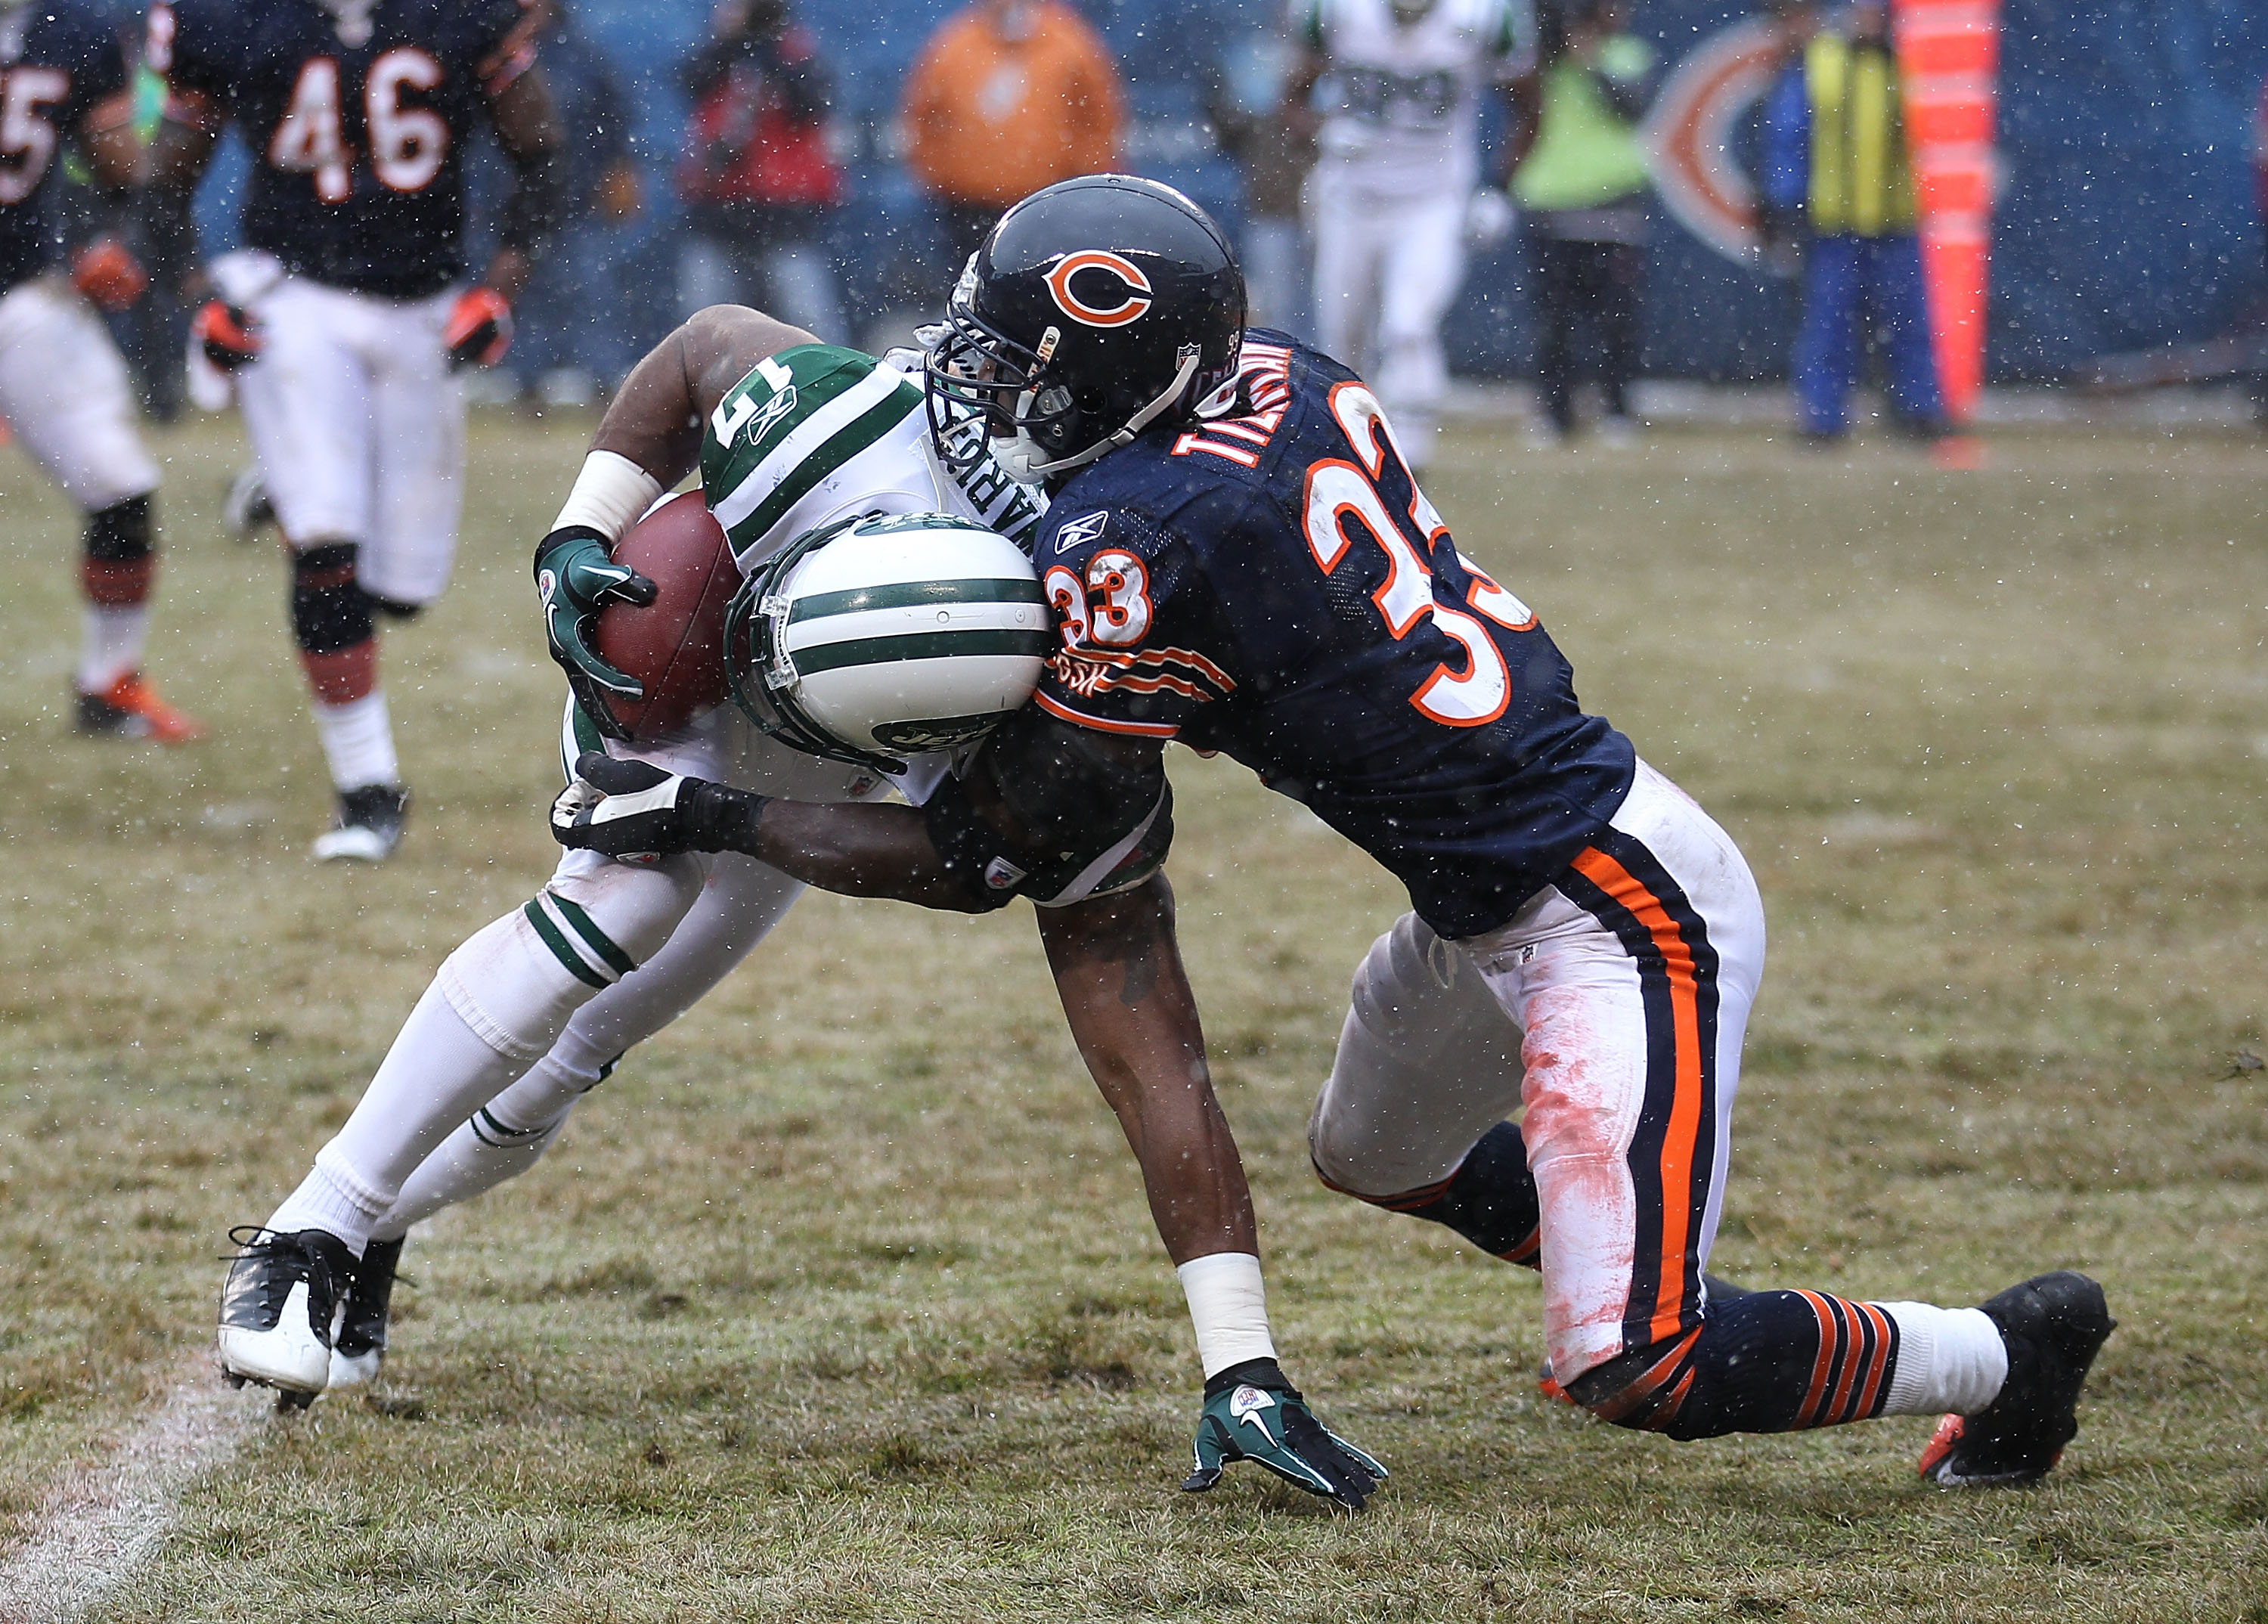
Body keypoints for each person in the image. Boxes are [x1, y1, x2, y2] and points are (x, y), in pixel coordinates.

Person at [553, 175, 2116, 1494]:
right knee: (1372, 1152)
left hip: (1614, 902)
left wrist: (716, 808)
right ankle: (1627, 1249)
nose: (997, 388)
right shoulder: (1276, 375)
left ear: (1125, 373)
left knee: (1639, 1370)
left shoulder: (1136, 536)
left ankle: (2006, 1348)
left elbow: (993, 852)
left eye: (1027, 365)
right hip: (1478, 892)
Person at [211, 302, 1380, 1513]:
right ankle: (309, 1231)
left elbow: (1064, 961)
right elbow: (698, 350)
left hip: (822, 788)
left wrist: (1240, 1356)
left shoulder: (1084, 612)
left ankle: (378, 1223)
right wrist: (582, 530)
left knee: (580, 1054)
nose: (983, 369)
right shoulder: (854, 425)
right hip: (695, 663)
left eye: (1032, 361)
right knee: (618, 910)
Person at [141, 0, 563, 860]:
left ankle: (284, 488)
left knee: (398, 592)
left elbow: (544, 159)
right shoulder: (236, 23)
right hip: (297, 296)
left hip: (422, 301)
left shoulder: (461, 17)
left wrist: (500, 289)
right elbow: (166, 181)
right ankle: (367, 790)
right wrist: (200, 301)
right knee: (328, 551)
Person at [0, 0, 203, 742]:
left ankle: (108, 684)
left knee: (119, 486)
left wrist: (103, 238)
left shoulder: (71, 29)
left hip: (23, 295)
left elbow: (121, 169)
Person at [1287, 0, 1536, 470]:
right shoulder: (1333, 12)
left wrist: (1499, 189)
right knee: (1344, 343)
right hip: (1350, 198)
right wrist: (1325, 132)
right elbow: (1291, 98)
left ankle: (1411, 463)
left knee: (1409, 326)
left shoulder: (1483, 18)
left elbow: (1529, 105)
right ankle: (1346, 457)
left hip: (1433, 199)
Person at [1756, 0, 1946, 442]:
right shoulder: (1820, 63)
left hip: (1894, 219)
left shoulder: (1905, 62)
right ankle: (1823, 418)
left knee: (1909, 324)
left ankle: (1919, 412)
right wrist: (1784, 203)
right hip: (1835, 224)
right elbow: (1790, 134)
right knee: (1828, 327)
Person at [1511, 0, 1656, 445]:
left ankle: (1617, 409)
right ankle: (1556, 412)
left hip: (1613, 204)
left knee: (1616, 319)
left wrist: (1592, 62)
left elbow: (1632, 107)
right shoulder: (1546, 64)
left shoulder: (1628, 55)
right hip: (1554, 202)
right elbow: (1518, 97)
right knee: (1554, 320)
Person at [900, 0, 1123, 270]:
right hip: (970, 203)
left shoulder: (1070, 43)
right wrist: (940, 175)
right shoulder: (955, 44)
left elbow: (1099, 117)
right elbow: (923, 115)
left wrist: (1083, 175)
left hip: (1045, 202)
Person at [674, 0, 844, 344]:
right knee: (705, 321)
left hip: (784, 209)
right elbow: (690, 80)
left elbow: (810, 101)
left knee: (804, 316)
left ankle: (828, 387)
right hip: (720, 204)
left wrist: (766, 49)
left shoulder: (795, 52)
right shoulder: (720, 53)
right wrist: (734, 42)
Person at [504, 0, 642, 402]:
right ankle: (524, 384)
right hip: (524, 203)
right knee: (527, 299)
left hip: (577, 200)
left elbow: (614, 121)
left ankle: (604, 384)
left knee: (590, 296)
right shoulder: (504, 49)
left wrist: (617, 172)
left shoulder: (582, 55)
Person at [1205, 26, 1317, 341]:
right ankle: (1289, 365)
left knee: (1328, 302)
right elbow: (1229, 130)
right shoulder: (1251, 64)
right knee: (1280, 304)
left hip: (1325, 215)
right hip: (1270, 210)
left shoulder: (1330, 68)